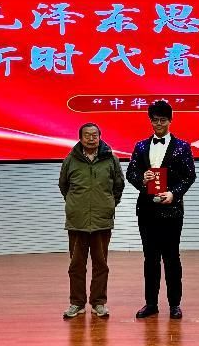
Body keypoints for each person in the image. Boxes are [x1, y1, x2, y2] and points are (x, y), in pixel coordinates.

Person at [126, 100, 197, 320]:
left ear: (170, 121)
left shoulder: (182, 146)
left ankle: (175, 304)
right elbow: (130, 174)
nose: (158, 124)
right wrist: (142, 178)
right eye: (155, 120)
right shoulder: (140, 146)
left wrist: (174, 194)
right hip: (146, 210)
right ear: (150, 121)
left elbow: (189, 176)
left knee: (172, 257)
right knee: (150, 258)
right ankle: (151, 304)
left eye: (163, 120)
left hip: (172, 210)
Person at [59, 122, 125, 319]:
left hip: (101, 220)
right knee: (76, 266)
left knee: (101, 265)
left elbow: (119, 185)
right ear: (80, 138)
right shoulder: (70, 159)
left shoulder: (110, 158)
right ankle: (77, 303)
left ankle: (98, 303)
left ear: (99, 137)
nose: (90, 138)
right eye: (87, 135)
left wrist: (108, 204)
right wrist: (76, 204)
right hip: (77, 221)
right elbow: (64, 185)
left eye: (94, 135)